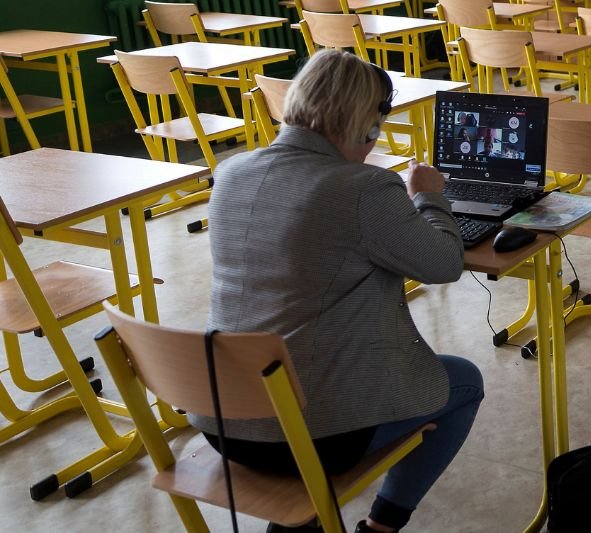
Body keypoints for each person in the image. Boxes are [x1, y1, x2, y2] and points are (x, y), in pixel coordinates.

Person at [194, 49, 484, 533]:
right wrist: (429, 195)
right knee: (463, 382)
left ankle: (297, 523)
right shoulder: (363, 187)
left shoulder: (231, 174)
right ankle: (382, 526)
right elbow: (443, 264)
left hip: (225, 421)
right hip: (308, 435)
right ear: (368, 124)